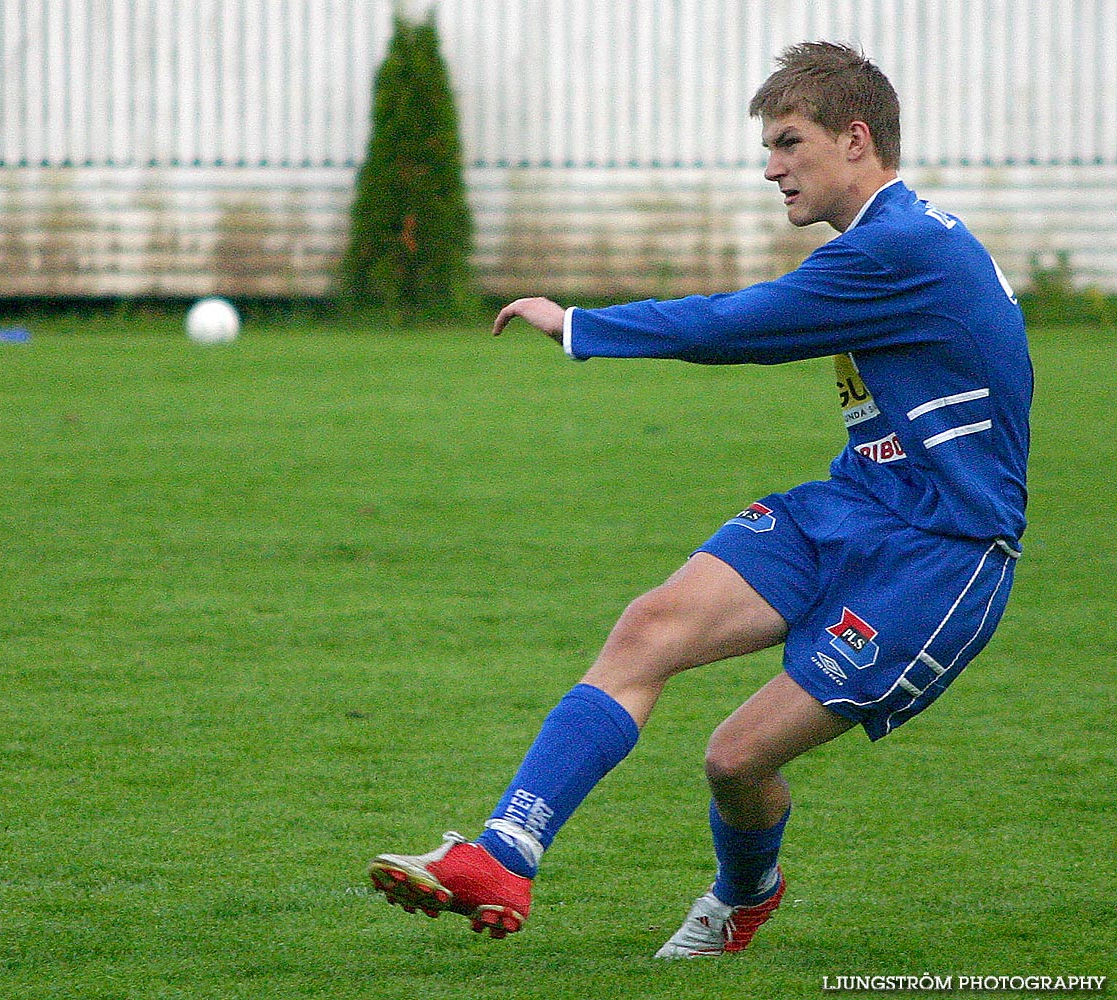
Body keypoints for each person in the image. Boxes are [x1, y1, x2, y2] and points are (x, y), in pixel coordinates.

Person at [368, 41, 1031, 957]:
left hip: (942, 554)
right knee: (648, 628)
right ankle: (501, 854)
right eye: (767, 146)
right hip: (853, 506)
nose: (771, 168)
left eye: (788, 143)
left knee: (733, 759)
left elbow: (742, 325)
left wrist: (582, 327)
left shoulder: (900, 248)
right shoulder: (890, 243)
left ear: (855, 139)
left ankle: (744, 895)